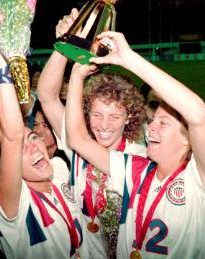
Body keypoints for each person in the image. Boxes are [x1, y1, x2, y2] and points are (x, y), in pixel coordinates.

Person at [65, 31, 205, 258]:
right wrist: (76, 76)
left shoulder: (203, 182)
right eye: (152, 121)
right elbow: (78, 139)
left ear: (187, 138)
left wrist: (129, 59)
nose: (150, 128)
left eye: (163, 123)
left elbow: (199, 115)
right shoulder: (138, 170)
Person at [0, 4, 83, 258]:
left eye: (33, 137)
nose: (34, 146)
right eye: (21, 149)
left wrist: (66, 44)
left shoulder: (59, 171)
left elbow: (49, 99)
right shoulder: (13, 201)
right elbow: (11, 135)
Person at [37, 8, 147, 258]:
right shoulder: (76, 143)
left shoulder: (141, 156)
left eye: (115, 116)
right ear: (86, 114)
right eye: (97, 115)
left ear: (129, 117)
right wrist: (63, 46)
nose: (104, 125)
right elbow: (47, 96)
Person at [31, 100, 70, 169]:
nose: (38, 131)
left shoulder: (64, 162)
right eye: (35, 124)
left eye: (45, 125)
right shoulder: (33, 156)